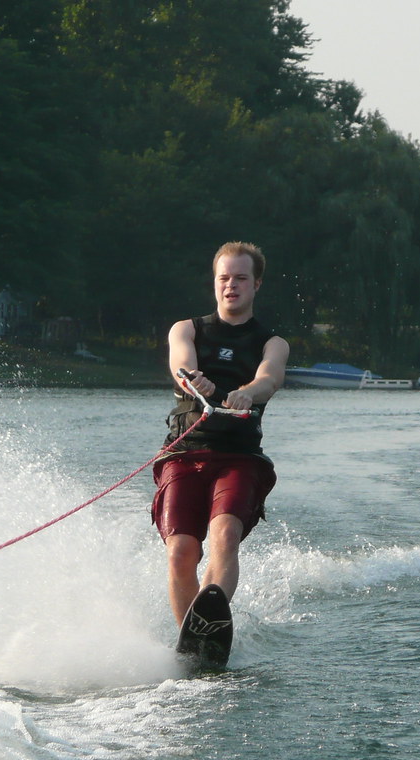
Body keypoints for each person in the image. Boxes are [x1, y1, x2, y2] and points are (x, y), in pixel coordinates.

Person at [152, 241, 290, 626]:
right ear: (215, 283)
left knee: (224, 535)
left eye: (241, 278)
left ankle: (209, 620)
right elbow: (181, 366)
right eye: (224, 278)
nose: (231, 286)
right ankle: (190, 636)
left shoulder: (272, 342)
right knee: (181, 551)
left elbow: (271, 377)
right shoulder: (186, 330)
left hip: (240, 459)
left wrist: (248, 393)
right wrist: (196, 383)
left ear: (256, 284)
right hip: (184, 453)